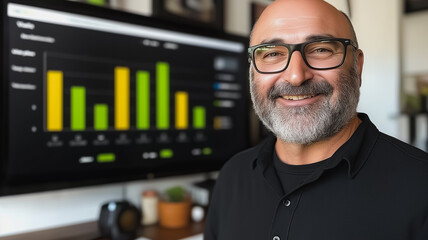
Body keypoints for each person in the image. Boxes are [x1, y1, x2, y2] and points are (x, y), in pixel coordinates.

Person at [203, 0, 428, 239]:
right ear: (252, 72)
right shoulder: (233, 175)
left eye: (321, 49)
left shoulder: (422, 187)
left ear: (358, 66)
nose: (296, 76)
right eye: (272, 54)